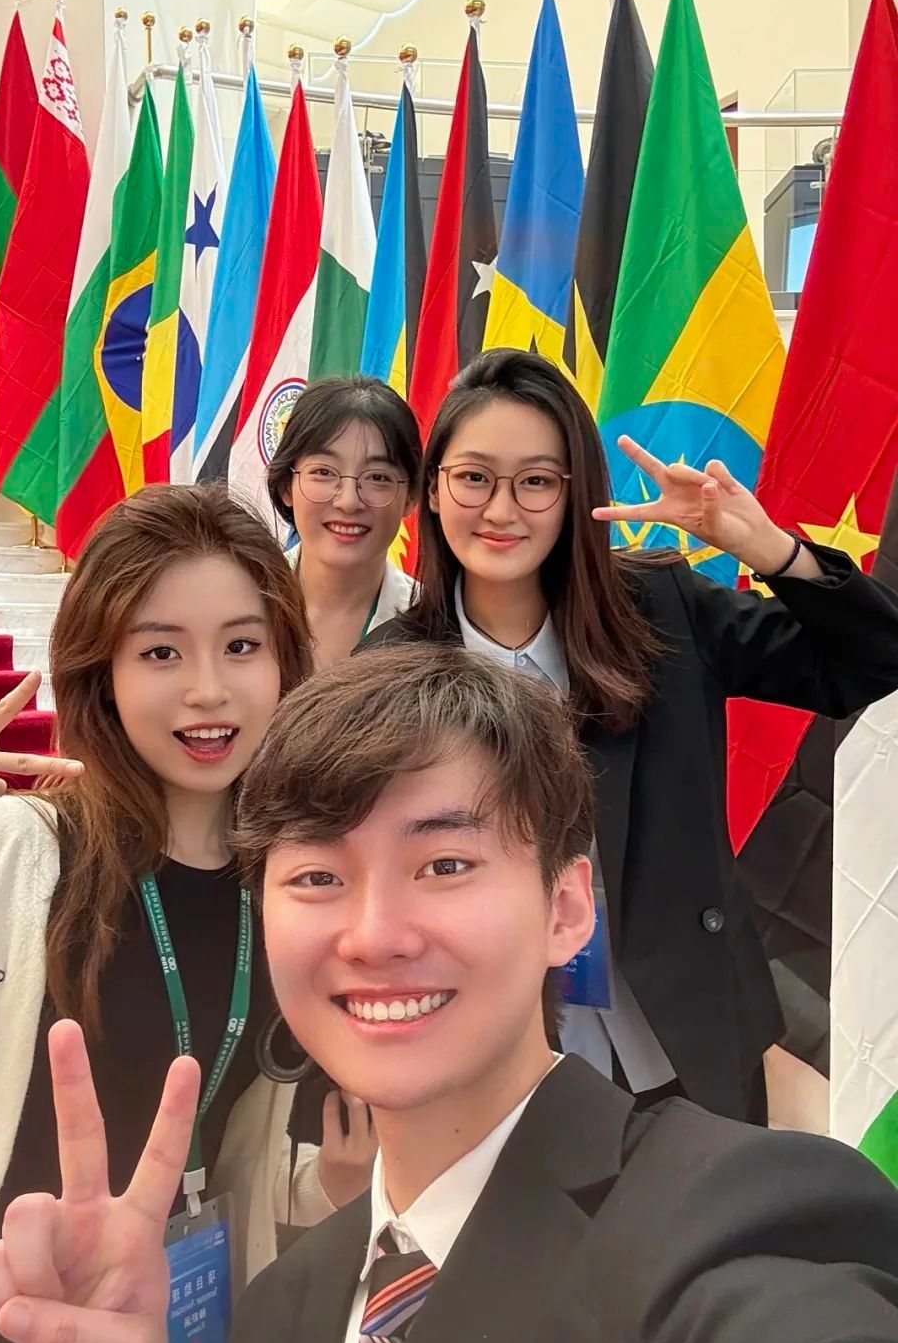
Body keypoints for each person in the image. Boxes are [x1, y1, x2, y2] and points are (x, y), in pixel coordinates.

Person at [0, 646, 898, 1343]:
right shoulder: (283, 1311)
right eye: (317, 878)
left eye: (445, 864)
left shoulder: (737, 1222)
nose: (374, 936)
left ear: (567, 908)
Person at [0, 484, 373, 1343]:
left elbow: (235, 1144)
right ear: (101, 671)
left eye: (242, 646)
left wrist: (326, 1186)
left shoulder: (288, 883)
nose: (208, 689)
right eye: (161, 652)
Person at [360, 348, 898, 1124]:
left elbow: (872, 661)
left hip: (690, 1034)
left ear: (575, 493)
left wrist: (769, 550)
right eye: (474, 478)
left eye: (536, 482)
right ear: (435, 490)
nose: (501, 510)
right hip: (494, 1052)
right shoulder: (391, 670)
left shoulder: (657, 609)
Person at [265, 377, 420, 667]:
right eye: (324, 472)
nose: (348, 502)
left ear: (411, 496)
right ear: (287, 485)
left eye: (377, 477)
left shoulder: (435, 630)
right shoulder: (243, 602)